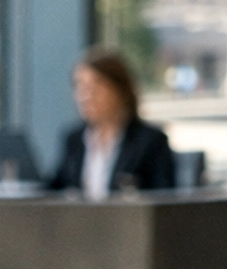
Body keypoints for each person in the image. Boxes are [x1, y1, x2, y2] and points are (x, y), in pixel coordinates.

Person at [48, 47, 175, 196]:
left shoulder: (150, 142)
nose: (86, 95)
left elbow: (163, 204)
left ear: (121, 90)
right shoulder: (74, 139)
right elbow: (52, 191)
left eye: (96, 86)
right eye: (80, 85)